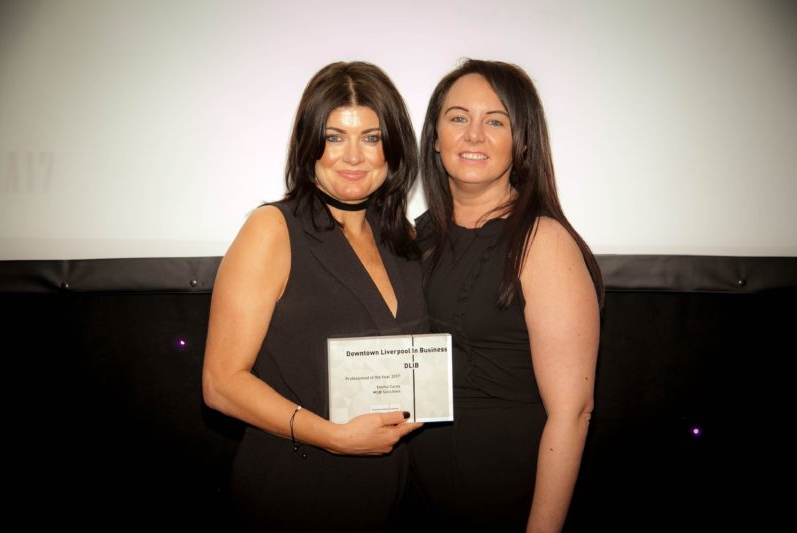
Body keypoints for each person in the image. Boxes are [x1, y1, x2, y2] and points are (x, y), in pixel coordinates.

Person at [202, 61, 428, 531]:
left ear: (394, 146)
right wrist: (332, 436)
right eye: (334, 136)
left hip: (389, 495)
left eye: (371, 137)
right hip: (294, 492)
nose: (353, 156)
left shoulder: (403, 240)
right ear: (309, 144)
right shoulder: (273, 229)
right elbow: (221, 384)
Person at [408, 59, 604, 531]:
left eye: (496, 121)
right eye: (458, 117)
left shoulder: (542, 242)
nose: (474, 135)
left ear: (523, 142)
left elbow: (573, 412)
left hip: (508, 503)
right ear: (435, 138)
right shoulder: (416, 237)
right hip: (417, 500)